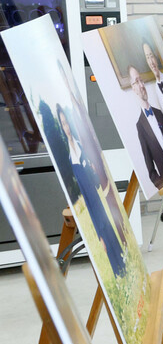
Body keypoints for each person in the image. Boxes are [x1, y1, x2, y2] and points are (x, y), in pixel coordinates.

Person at [57, 104, 126, 277]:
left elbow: (95, 174)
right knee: (102, 231)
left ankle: (122, 262)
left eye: (67, 122)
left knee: (108, 226)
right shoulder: (69, 157)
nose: (66, 127)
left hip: (99, 196)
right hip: (90, 202)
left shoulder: (81, 146)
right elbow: (83, 191)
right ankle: (117, 270)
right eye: (62, 124)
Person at [129, 66, 163, 187]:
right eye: (136, 82)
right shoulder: (140, 126)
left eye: (141, 80)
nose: (141, 85)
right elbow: (150, 167)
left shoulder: (159, 113)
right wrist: (161, 184)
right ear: (133, 88)